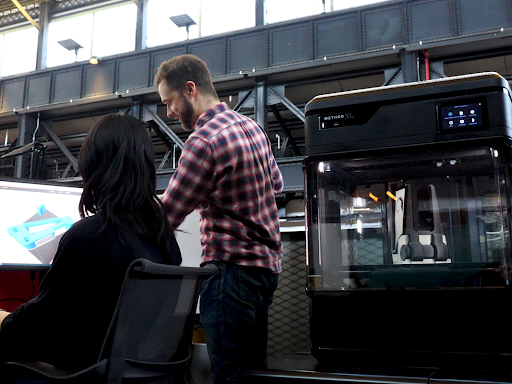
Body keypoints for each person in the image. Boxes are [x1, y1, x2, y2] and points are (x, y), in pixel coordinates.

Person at [0, 114, 181, 371]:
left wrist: (5, 321)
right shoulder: (165, 242)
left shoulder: (89, 236)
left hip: (80, 370)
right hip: (134, 372)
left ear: (94, 167)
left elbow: (42, 326)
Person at [155, 54, 284, 383]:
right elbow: (277, 186)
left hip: (230, 275)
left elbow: (167, 215)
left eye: (169, 102)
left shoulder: (203, 142)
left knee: (228, 376)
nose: (168, 112)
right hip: (266, 272)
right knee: (251, 372)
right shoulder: (253, 129)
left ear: (189, 89)